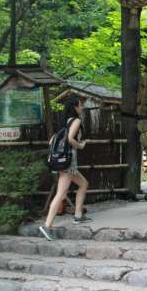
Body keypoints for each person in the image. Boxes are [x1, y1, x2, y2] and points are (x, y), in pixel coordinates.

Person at [39, 97, 91, 240]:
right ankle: (47, 226)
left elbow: (51, 142)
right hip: (68, 162)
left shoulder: (64, 123)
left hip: (64, 162)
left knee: (83, 184)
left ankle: (78, 215)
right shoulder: (76, 121)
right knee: (61, 194)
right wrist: (80, 145)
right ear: (74, 107)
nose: (82, 108)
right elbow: (69, 139)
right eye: (80, 106)